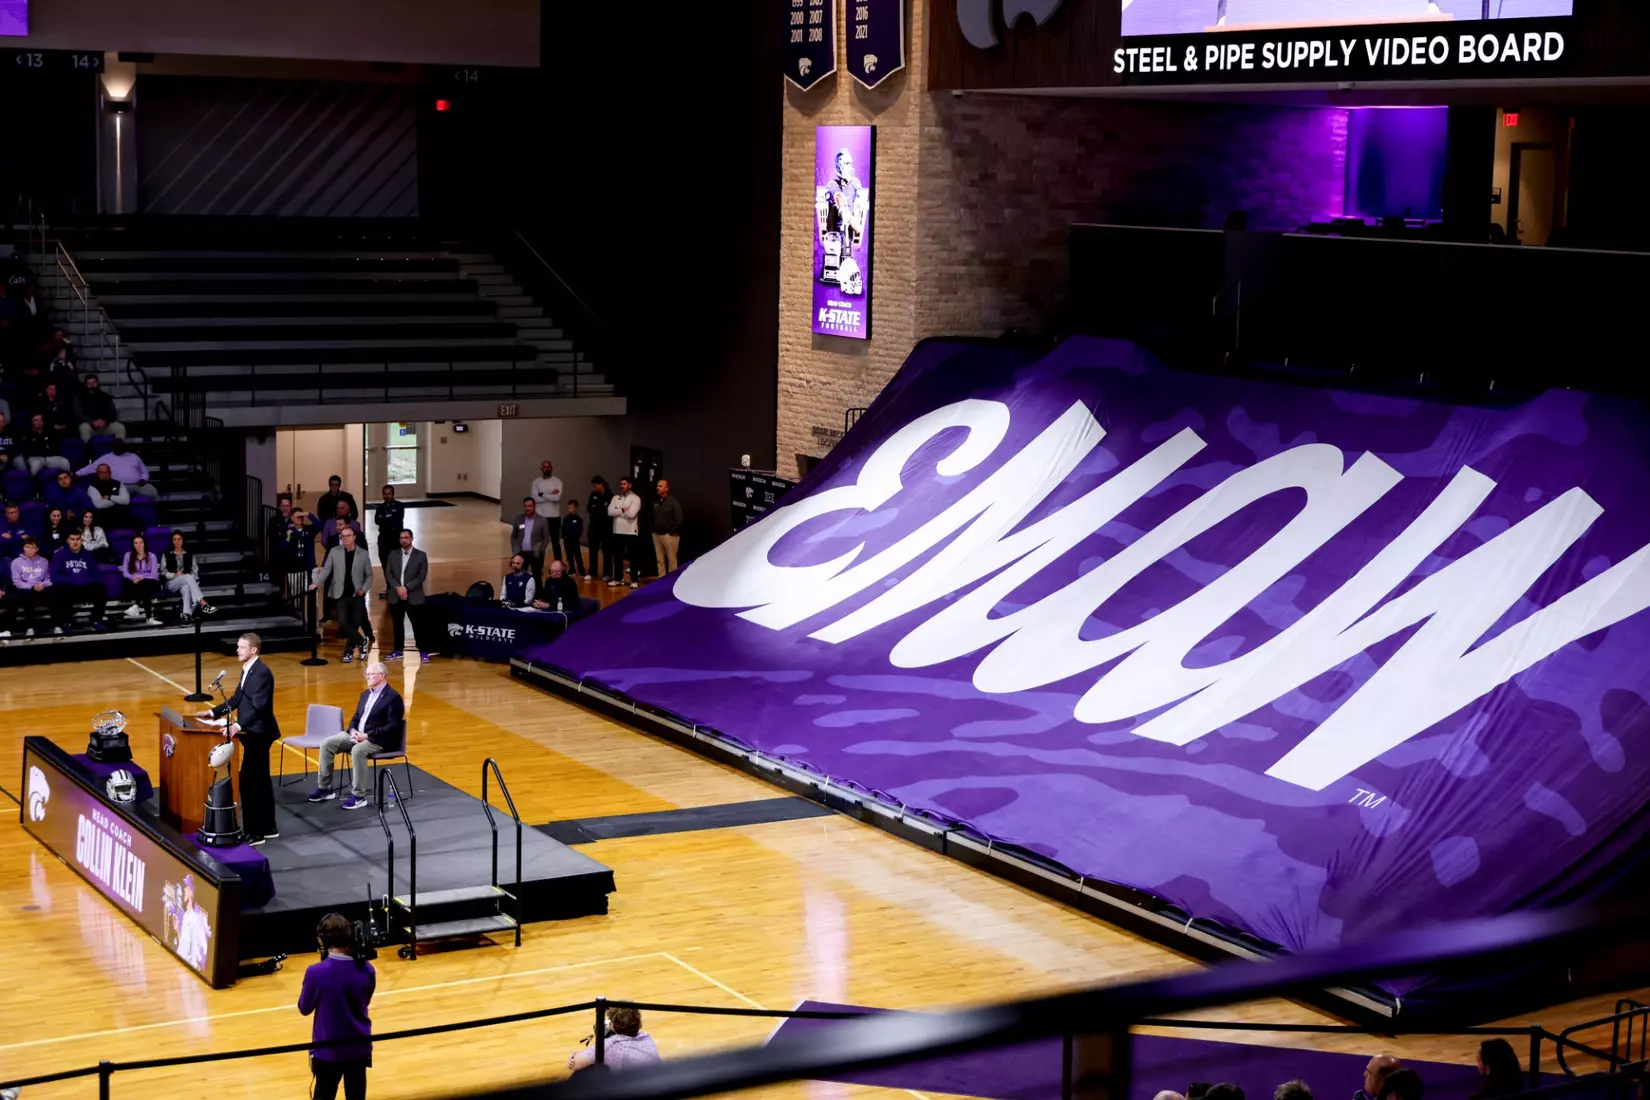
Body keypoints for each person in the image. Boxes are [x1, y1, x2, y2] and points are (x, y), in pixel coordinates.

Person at [196, 633, 281, 845]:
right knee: (261, 781)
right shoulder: (248, 669)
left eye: (242, 647)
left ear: (254, 650)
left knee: (249, 782)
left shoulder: (261, 673)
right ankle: (268, 828)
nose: (237, 650)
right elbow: (237, 698)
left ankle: (255, 833)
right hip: (253, 732)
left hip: (259, 734)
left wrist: (238, 725)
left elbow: (260, 707)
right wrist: (213, 713)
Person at [298, 913, 376, 1100]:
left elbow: (304, 1008)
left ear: (322, 941)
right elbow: (365, 1000)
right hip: (359, 1047)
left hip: (328, 1051)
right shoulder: (367, 968)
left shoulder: (315, 973)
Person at [309, 662, 404, 810]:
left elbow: (392, 726)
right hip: (357, 735)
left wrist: (366, 735)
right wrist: (353, 730)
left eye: (371, 674)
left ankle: (359, 796)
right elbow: (356, 717)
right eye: (367, 674)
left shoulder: (393, 697)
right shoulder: (365, 694)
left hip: (378, 740)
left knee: (358, 750)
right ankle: (325, 788)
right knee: (327, 743)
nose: (367, 677)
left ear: (382, 676)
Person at [314, 525, 374, 663]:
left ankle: (348, 652)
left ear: (354, 537)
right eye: (343, 536)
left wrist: (364, 589)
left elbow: (369, 575)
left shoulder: (363, 553)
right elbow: (326, 569)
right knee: (343, 623)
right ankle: (362, 641)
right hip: (340, 593)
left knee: (354, 623)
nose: (345, 538)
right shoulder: (334, 551)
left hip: (357, 594)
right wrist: (316, 582)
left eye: (348, 536)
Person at [384, 529, 433, 663]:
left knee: (418, 625)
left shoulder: (421, 555)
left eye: (406, 537)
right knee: (397, 625)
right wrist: (399, 588)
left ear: (411, 538)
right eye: (401, 538)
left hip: (414, 596)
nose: (404, 540)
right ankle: (398, 650)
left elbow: (421, 576)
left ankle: (423, 651)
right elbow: (389, 574)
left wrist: (406, 588)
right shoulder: (393, 555)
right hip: (396, 595)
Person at [567, 1006, 661, 1073]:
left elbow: (575, 1064)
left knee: (586, 1069)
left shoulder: (611, 1045)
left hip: (636, 1090)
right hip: (660, 1085)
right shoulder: (647, 1037)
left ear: (613, 1025)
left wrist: (575, 1054)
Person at [50, 530, 106, 633]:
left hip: (84, 586)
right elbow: (54, 576)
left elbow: (96, 575)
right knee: (58, 590)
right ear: (68, 540)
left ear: (81, 540)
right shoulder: (59, 554)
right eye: (72, 539)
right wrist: (71, 580)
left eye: (78, 539)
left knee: (100, 589)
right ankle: (64, 622)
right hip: (68, 587)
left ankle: (97, 621)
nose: (75, 542)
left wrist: (85, 580)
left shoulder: (88, 555)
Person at [162, 530, 217, 621]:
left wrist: (191, 580)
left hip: (186, 582)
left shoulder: (189, 554)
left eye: (179, 539)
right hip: (171, 582)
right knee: (187, 577)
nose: (177, 541)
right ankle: (203, 603)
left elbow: (194, 570)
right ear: (172, 541)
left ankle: (186, 615)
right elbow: (163, 572)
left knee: (186, 588)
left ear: (183, 540)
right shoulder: (166, 554)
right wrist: (175, 574)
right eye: (174, 539)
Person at [77, 438, 157, 499]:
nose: (119, 447)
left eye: (120, 446)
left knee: (152, 492)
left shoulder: (133, 457)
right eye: (117, 446)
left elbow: (145, 472)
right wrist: (77, 474)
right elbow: (91, 467)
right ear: (113, 447)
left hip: (138, 485)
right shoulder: (106, 458)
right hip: (118, 486)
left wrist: (143, 479)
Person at [268, 494, 319, 587]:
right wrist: (287, 538)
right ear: (292, 518)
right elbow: (281, 548)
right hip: (293, 568)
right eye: (296, 516)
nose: (299, 518)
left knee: (310, 592)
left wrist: (307, 514)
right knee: (295, 593)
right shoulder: (288, 530)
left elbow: (320, 526)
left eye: (300, 516)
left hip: (308, 567)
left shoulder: (309, 530)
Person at [7, 537, 51, 636]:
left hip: (41, 589)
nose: (30, 550)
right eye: (27, 547)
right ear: (23, 547)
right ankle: (28, 628)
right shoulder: (16, 562)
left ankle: (58, 626)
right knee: (26, 595)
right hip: (24, 591)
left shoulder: (44, 561)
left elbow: (49, 579)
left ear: (37, 549)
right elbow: (17, 581)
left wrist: (43, 585)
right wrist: (32, 587)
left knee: (56, 593)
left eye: (33, 547)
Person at [606, 477, 642, 588]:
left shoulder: (636, 498)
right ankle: (618, 579)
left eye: (624, 484)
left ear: (630, 485)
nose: (622, 486)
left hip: (631, 531)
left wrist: (618, 511)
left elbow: (631, 514)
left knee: (633, 557)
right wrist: (622, 509)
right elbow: (609, 512)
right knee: (617, 556)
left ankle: (634, 580)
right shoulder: (615, 498)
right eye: (621, 484)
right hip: (617, 531)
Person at [120, 533, 161, 626]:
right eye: (136, 543)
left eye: (141, 542)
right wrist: (133, 577)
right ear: (133, 545)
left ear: (144, 543)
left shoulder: (152, 556)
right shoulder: (128, 555)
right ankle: (149, 618)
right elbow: (125, 572)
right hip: (135, 583)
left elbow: (153, 574)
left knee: (144, 584)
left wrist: (141, 578)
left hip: (150, 582)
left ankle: (136, 605)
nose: (139, 545)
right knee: (139, 587)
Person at [530, 459, 564, 564]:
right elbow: (534, 498)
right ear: (541, 468)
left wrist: (542, 494)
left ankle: (558, 564)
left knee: (555, 541)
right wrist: (550, 496)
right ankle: (538, 565)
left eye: (548, 467)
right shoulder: (536, 482)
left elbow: (556, 498)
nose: (547, 468)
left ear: (551, 468)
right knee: (540, 541)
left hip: (554, 516)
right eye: (544, 467)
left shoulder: (557, 482)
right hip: (540, 516)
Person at [510, 498, 552, 582]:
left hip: (535, 553)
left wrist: (541, 549)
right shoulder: (518, 519)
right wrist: (515, 551)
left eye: (529, 506)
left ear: (534, 506)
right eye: (525, 506)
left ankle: (538, 591)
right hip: (521, 553)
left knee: (537, 578)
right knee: (520, 577)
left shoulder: (542, 520)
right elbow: (513, 536)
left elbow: (546, 538)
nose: (527, 508)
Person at [85, 463, 135, 530]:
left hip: (121, 515)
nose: (104, 474)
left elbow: (126, 501)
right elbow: (99, 504)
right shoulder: (92, 487)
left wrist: (109, 497)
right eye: (101, 472)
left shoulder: (118, 484)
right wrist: (118, 500)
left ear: (110, 473)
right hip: (103, 518)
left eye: (107, 472)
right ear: (98, 474)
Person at [371, 485, 404, 586]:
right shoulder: (380, 507)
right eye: (385, 494)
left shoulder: (399, 506)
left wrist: (384, 518)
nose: (386, 496)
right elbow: (377, 520)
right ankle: (389, 586)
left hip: (395, 538)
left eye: (389, 494)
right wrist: (388, 518)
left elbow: (397, 519)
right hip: (383, 538)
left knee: (396, 563)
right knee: (384, 562)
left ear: (393, 494)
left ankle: (398, 586)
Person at [18, 412, 68, 476]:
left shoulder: (50, 432)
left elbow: (55, 447)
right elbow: (28, 451)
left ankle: (67, 480)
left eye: (41, 419)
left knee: (64, 462)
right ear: (31, 422)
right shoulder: (27, 434)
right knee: (36, 464)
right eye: (36, 420)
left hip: (50, 457)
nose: (39, 422)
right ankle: (32, 482)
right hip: (35, 458)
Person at [651, 478, 683, 578]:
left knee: (671, 560)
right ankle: (661, 579)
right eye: (657, 486)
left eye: (660, 486)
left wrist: (671, 531)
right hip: (657, 534)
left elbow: (679, 518)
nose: (657, 488)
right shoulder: (656, 502)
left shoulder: (673, 501)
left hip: (669, 535)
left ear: (666, 489)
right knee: (659, 559)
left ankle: (671, 581)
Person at [78, 374, 125, 441]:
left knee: (120, 428)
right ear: (85, 385)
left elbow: (112, 413)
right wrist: (92, 422)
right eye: (89, 383)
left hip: (105, 426)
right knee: (84, 428)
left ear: (98, 383)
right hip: (90, 426)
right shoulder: (80, 397)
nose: (92, 386)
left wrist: (105, 421)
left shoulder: (105, 396)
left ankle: (118, 447)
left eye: (94, 383)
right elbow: (78, 414)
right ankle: (86, 447)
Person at [586, 476, 613, 582]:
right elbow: (589, 508)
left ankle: (607, 573)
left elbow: (607, 511)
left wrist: (597, 508)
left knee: (607, 551)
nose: (594, 488)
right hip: (594, 526)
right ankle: (592, 571)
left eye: (596, 486)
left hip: (606, 528)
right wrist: (599, 508)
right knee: (593, 550)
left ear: (602, 484)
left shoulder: (610, 496)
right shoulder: (593, 495)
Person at [561, 498, 585, 575]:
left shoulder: (579, 519)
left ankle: (581, 570)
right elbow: (563, 528)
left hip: (575, 541)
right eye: (569, 507)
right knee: (569, 556)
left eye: (571, 507)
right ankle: (572, 569)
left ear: (575, 508)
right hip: (567, 540)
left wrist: (577, 536)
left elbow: (580, 529)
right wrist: (563, 536)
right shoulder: (566, 518)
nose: (569, 509)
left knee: (578, 555)